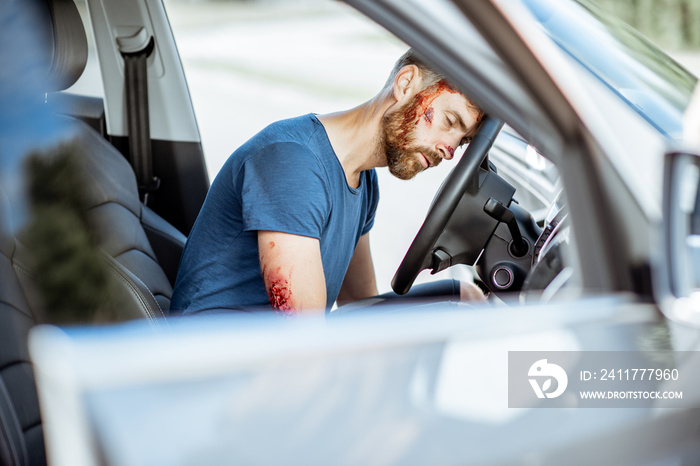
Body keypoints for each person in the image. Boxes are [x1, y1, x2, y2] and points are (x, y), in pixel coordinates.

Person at [171, 49, 485, 316]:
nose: (450, 150)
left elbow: (357, 302)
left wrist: (452, 296)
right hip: (213, 369)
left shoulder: (364, 182)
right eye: (449, 122)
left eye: (463, 141)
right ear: (405, 84)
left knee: (464, 298)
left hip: (270, 358)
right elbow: (305, 337)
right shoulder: (293, 162)